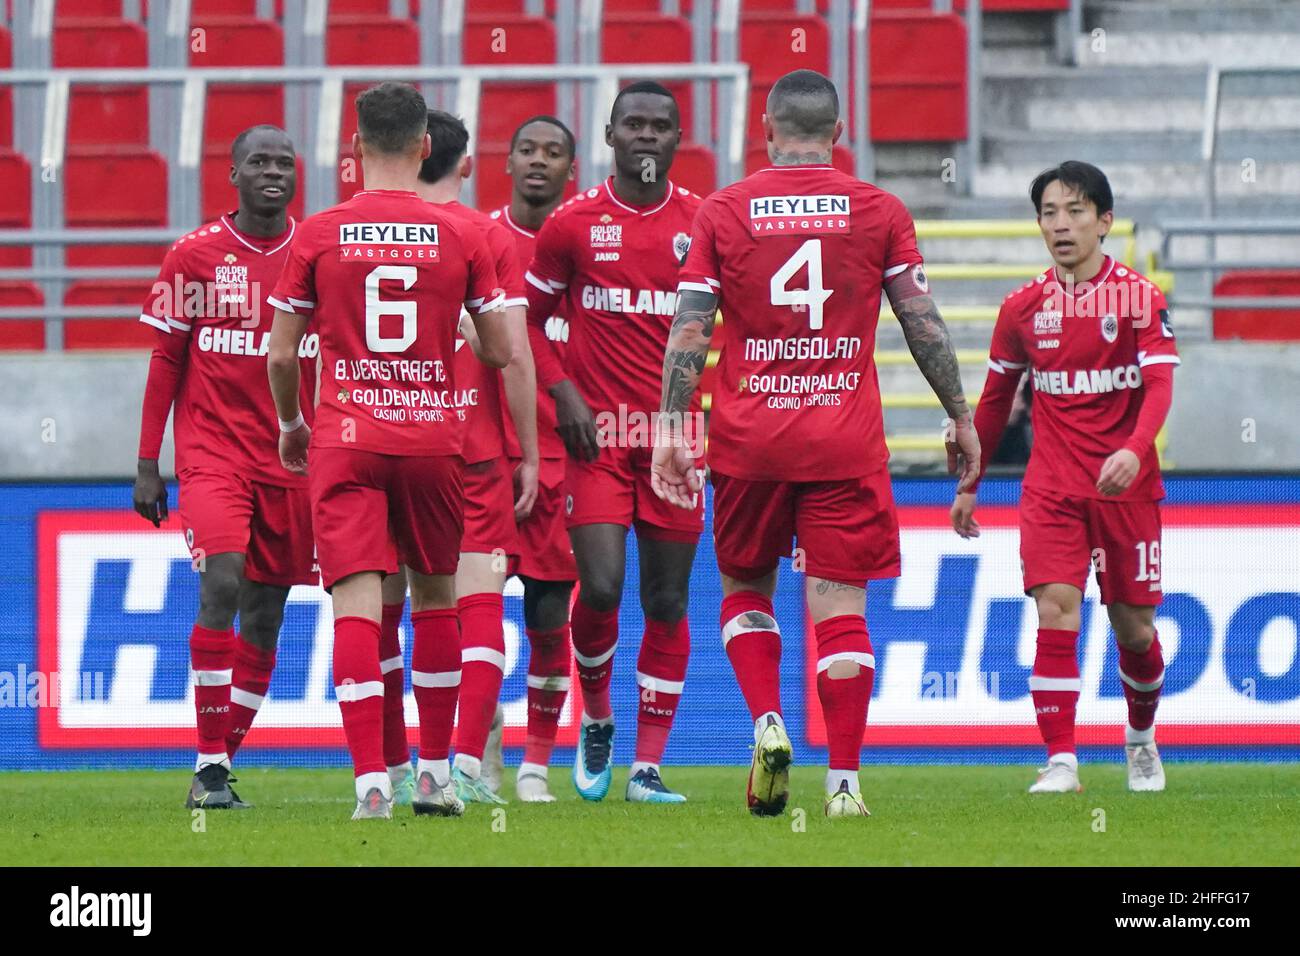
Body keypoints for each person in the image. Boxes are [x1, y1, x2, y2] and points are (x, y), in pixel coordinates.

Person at [652, 70, 981, 817]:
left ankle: (767, 721)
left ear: (765, 130)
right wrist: (960, 414)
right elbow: (920, 321)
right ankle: (844, 784)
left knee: (745, 591)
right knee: (841, 606)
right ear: (840, 133)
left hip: (749, 441)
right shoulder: (879, 210)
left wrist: (672, 428)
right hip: (844, 440)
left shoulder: (725, 211)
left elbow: (691, 329)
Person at [265, 82, 511, 820]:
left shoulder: (316, 234)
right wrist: (463, 332)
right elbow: (501, 349)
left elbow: (280, 357)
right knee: (438, 597)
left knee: (357, 608)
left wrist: (291, 425)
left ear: (353, 149)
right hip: (434, 439)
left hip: (345, 437)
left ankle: (372, 782)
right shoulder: (464, 236)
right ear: (427, 147)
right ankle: (434, 776)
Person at [950, 161, 1178, 794]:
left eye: (1075, 211)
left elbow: (1159, 382)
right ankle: (1060, 761)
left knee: (1135, 630)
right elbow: (995, 401)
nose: (1061, 224)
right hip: (1051, 487)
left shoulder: (1138, 298)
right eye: (1050, 213)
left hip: (1126, 489)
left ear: (1105, 222)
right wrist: (971, 481)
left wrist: (1136, 447)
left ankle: (1139, 736)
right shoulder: (1023, 308)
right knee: (1056, 607)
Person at [525, 82, 704, 804]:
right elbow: (527, 321)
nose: (647, 136)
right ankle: (595, 713)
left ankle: (647, 767)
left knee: (666, 600)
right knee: (599, 586)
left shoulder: (705, 223)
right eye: (634, 124)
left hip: (675, 440)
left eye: (661, 126)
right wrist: (563, 390)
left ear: (677, 137)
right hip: (599, 437)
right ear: (609, 134)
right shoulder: (571, 224)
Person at [133, 125, 317, 811]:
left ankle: (215, 766)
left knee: (267, 617)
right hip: (212, 457)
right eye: (258, 161)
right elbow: (164, 360)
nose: (273, 171)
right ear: (233, 175)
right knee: (225, 583)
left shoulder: (315, 251)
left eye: (283, 162)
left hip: (293, 457)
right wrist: (149, 461)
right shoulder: (194, 256)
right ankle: (209, 763)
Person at [402, 108, 538, 806]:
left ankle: (389, 769)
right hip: (474, 449)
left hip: (383, 443)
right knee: (480, 603)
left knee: (386, 602)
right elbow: (511, 356)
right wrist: (530, 452)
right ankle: (461, 765)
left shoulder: (351, 229)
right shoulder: (486, 235)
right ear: (463, 165)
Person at [489, 115, 579, 802]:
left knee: (551, 617)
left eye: (553, 153)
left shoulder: (588, 240)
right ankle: (480, 750)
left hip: (562, 459)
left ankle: (536, 764)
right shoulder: (481, 239)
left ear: (570, 169)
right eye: (528, 150)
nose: (538, 162)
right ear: (508, 161)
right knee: (474, 611)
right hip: (484, 459)